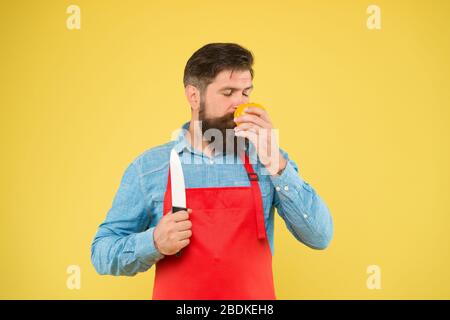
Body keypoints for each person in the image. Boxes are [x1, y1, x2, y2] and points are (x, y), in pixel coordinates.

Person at [91, 43, 334, 299]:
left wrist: (277, 164)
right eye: (228, 92)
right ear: (194, 96)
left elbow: (319, 236)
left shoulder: (268, 159)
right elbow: (102, 253)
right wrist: (153, 242)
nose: (240, 104)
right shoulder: (150, 168)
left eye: (245, 93)